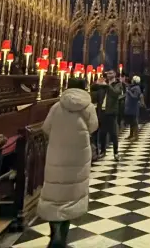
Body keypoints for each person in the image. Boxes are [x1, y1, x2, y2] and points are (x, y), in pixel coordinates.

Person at [37, 77, 98, 247]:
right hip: (78, 155)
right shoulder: (88, 107)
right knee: (71, 195)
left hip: (57, 155)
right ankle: (62, 237)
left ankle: (54, 234)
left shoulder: (57, 106)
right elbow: (93, 126)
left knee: (55, 194)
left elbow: (46, 127)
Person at [99, 70, 123, 160]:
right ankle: (102, 151)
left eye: (111, 73)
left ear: (115, 74)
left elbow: (116, 94)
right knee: (103, 133)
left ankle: (116, 153)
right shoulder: (103, 84)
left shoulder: (118, 84)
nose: (109, 75)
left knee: (113, 133)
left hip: (112, 112)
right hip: (103, 110)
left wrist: (107, 86)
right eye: (107, 73)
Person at [90, 76, 107, 158]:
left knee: (94, 134)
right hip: (102, 113)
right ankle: (102, 150)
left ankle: (95, 151)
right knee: (102, 133)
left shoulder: (93, 90)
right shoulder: (105, 90)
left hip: (95, 112)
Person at [124, 75, 143, 140]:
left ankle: (136, 136)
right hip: (130, 107)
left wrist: (129, 92)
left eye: (132, 79)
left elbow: (135, 97)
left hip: (133, 107)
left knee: (134, 122)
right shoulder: (133, 87)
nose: (131, 80)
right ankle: (131, 135)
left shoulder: (137, 88)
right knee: (131, 121)